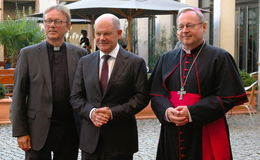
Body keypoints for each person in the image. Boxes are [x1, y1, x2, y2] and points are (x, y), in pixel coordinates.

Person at [150, 7, 248, 160]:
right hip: (172, 131)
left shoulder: (220, 57)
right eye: (181, 26)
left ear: (203, 27)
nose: (184, 30)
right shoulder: (166, 58)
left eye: (190, 25)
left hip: (206, 128)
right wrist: (167, 112)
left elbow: (229, 97)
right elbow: (156, 93)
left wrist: (191, 112)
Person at [11, 4, 87, 160]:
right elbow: (18, 95)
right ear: (44, 24)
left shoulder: (80, 54)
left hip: (69, 130)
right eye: (48, 21)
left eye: (58, 21)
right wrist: (20, 131)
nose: (52, 25)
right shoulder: (28, 54)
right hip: (36, 129)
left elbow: (86, 92)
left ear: (68, 26)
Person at [70, 13, 150, 160]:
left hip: (121, 140)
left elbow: (142, 97)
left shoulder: (135, 62)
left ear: (119, 33)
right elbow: (75, 96)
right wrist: (92, 112)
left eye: (106, 33)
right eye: (98, 33)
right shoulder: (85, 62)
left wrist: (112, 113)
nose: (101, 38)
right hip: (90, 140)